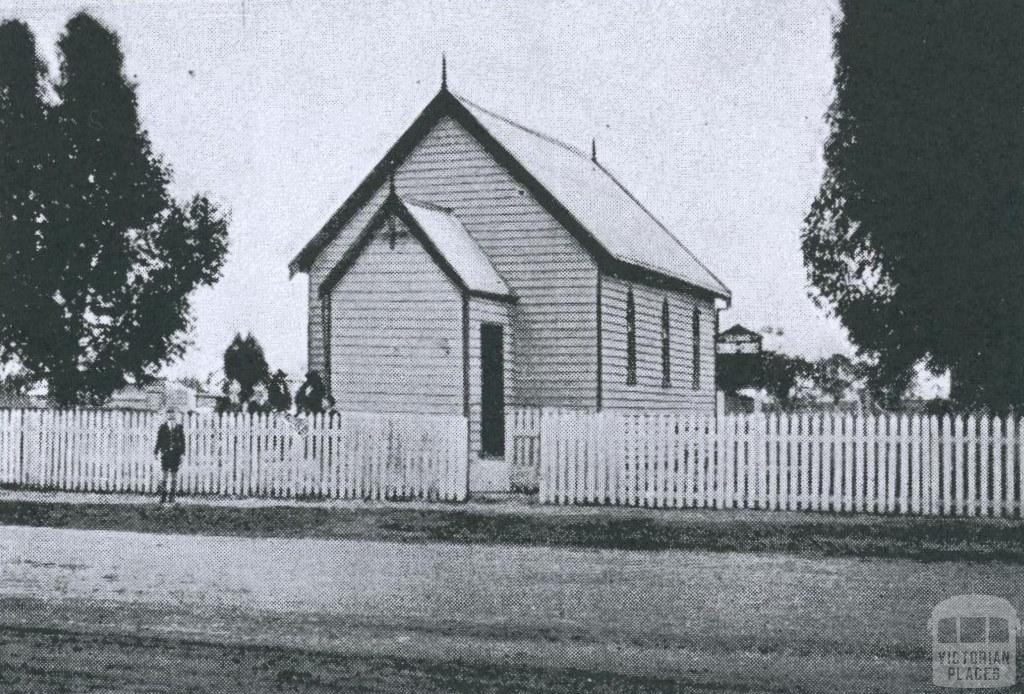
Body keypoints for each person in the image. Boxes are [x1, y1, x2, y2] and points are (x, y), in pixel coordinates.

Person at [154, 409, 185, 504]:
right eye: (169, 414)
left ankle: (172, 497)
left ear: (175, 415)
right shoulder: (163, 427)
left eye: (172, 414)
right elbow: (159, 440)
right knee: (164, 475)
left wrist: (183, 453)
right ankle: (163, 497)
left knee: (174, 475)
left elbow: (183, 441)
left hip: (176, 454)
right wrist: (156, 451)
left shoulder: (179, 427)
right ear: (166, 415)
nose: (171, 416)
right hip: (166, 454)